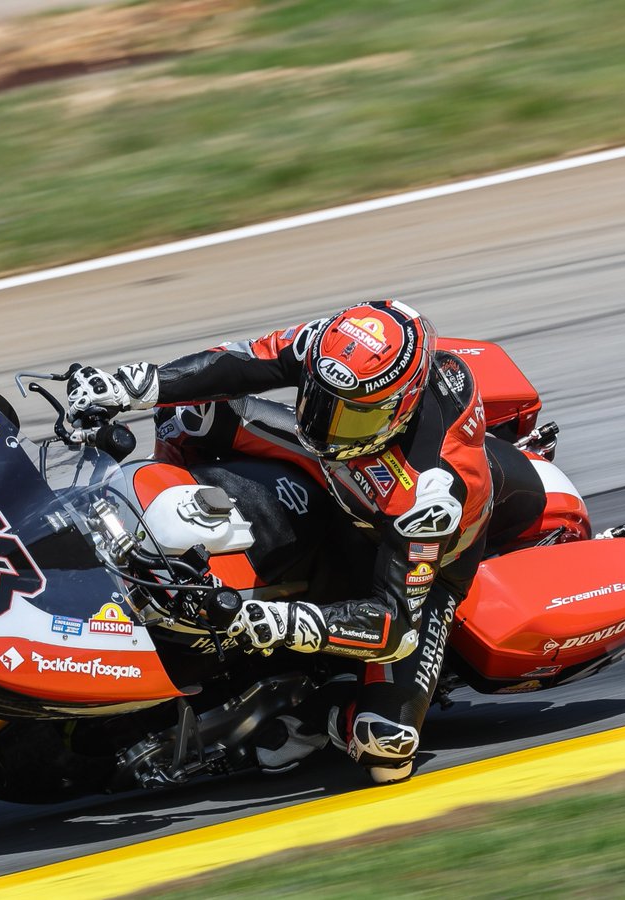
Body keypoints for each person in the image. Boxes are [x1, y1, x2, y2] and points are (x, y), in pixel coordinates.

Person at [66, 300, 531, 784]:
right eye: (320, 396)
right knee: (189, 414)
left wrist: (271, 622)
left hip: (409, 551)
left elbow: (394, 629)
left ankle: (320, 709)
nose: (327, 421)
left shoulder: (430, 496)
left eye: (351, 415)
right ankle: (154, 514)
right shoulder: (332, 343)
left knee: (387, 749)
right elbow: (240, 361)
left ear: (400, 410)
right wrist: (127, 387)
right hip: (337, 470)